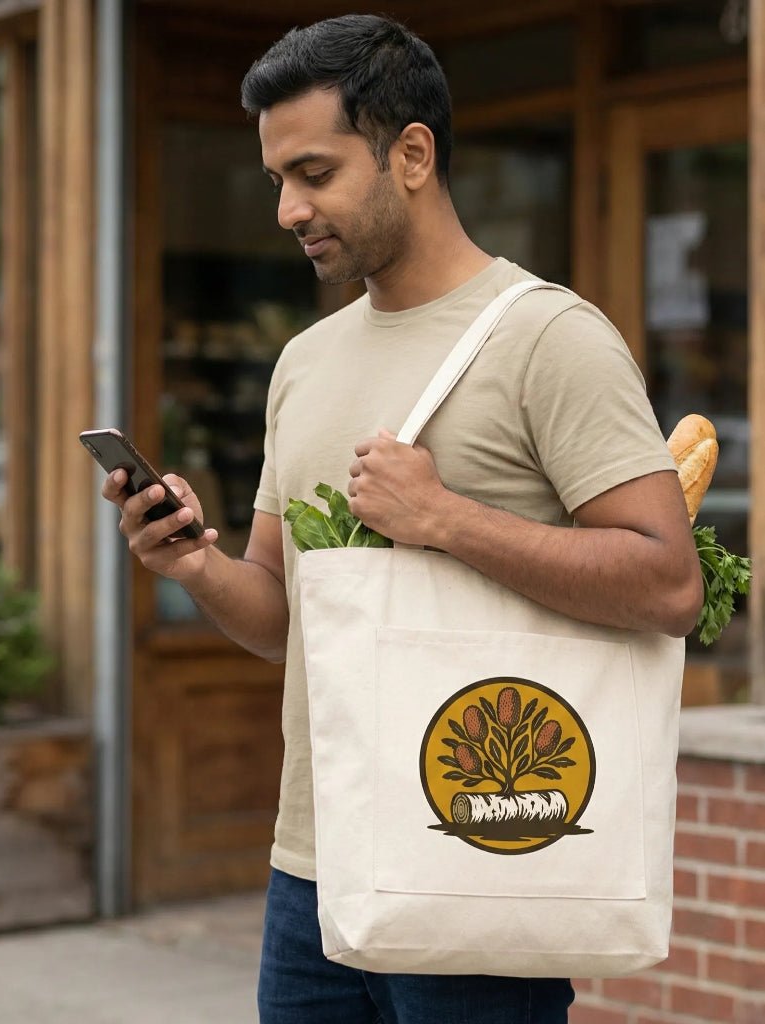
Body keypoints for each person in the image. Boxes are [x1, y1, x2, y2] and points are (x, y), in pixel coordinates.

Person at [103, 13, 703, 1024]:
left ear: (411, 154)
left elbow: (670, 584)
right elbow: (285, 622)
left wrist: (445, 518)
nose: (290, 209)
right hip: (313, 870)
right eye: (276, 182)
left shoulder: (549, 337)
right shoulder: (306, 361)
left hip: (479, 844)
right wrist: (195, 565)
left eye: (315, 172)